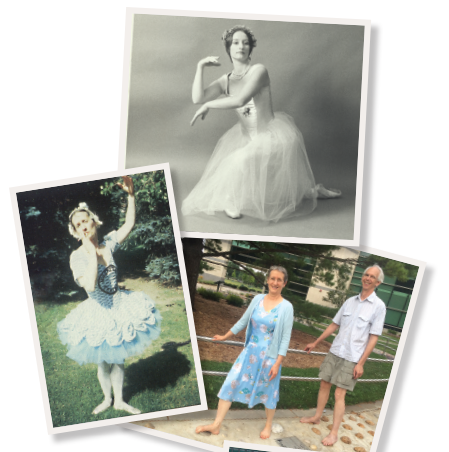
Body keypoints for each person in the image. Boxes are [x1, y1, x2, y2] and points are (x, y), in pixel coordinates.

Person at [182, 25, 340, 222]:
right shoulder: (226, 80)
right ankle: (311, 190)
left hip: (272, 136)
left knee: (236, 161)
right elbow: (198, 98)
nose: (241, 46)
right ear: (229, 48)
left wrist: (210, 106)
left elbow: (240, 100)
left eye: (246, 43)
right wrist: (200, 67)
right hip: (246, 137)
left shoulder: (259, 71)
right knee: (268, 184)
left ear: (250, 49)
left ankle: (231, 199)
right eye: (236, 43)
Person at [57, 176, 161, 415]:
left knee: (119, 358)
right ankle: (106, 398)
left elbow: (129, 224)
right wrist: (91, 253)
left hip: (120, 305)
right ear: (75, 231)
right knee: (103, 360)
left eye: (86, 220)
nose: (83, 226)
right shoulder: (77, 257)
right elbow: (91, 287)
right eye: (78, 225)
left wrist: (131, 196)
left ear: (94, 221)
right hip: (98, 311)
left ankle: (120, 400)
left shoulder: (108, 243)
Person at [195, 266, 293, 440]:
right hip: (249, 353)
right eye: (272, 278)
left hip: (270, 358)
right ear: (268, 280)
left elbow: (285, 338)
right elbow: (243, 321)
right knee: (230, 383)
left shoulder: (287, 307)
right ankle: (216, 425)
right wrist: (225, 336)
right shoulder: (257, 299)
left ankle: (268, 425)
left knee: (269, 391)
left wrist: (278, 363)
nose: (275, 282)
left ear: (284, 283)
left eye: (279, 280)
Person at [300, 265, 386, 445]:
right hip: (336, 350)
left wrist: (361, 363)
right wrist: (315, 342)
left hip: (352, 357)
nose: (367, 278)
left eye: (372, 277)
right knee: (324, 384)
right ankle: (317, 416)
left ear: (377, 283)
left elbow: (373, 338)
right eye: (366, 275)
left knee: (340, 394)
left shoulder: (378, 307)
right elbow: (334, 325)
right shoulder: (350, 301)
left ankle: (334, 433)